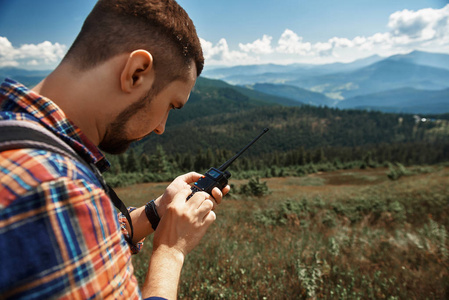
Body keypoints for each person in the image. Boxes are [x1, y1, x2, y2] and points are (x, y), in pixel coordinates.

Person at [0, 0, 229, 299]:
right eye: (170, 105)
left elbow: (87, 240)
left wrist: (156, 212)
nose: (161, 127)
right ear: (136, 72)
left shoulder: (17, 131)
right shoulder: (56, 190)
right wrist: (171, 251)